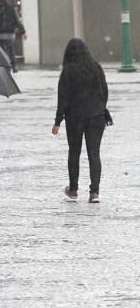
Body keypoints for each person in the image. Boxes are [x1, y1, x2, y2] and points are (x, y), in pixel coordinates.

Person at [52, 38, 108, 204]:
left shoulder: (68, 71)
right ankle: (94, 192)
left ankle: (73, 189)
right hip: (96, 116)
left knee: (74, 152)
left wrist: (57, 121)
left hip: (75, 117)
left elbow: (63, 98)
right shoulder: (96, 68)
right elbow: (104, 91)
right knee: (94, 153)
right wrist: (99, 108)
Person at [0, 0, 26, 73]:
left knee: (1, 51)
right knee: (11, 50)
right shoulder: (12, 9)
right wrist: (22, 31)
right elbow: (18, 21)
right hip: (10, 34)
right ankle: (13, 65)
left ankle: (5, 66)